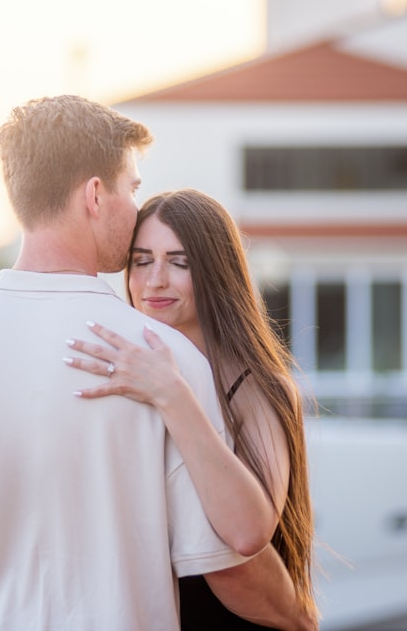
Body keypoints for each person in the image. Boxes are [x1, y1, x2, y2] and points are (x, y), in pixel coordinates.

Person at [0, 96, 311, 630]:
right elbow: (229, 562)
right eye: (132, 188)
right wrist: (300, 618)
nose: (135, 208)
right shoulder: (162, 357)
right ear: (95, 195)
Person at [64, 188, 318, 629]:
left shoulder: (260, 388)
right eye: (141, 261)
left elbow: (245, 534)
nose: (155, 280)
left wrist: (172, 395)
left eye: (179, 263)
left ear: (217, 273)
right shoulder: (120, 371)